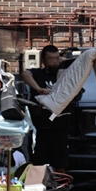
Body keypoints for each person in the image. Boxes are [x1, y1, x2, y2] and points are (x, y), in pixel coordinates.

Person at [21, 44, 70, 173]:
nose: (54, 62)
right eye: (50, 58)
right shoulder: (38, 74)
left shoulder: (63, 74)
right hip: (42, 129)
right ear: (43, 60)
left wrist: (62, 65)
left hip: (60, 129)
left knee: (60, 165)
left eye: (56, 58)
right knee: (38, 164)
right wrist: (38, 89)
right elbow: (25, 74)